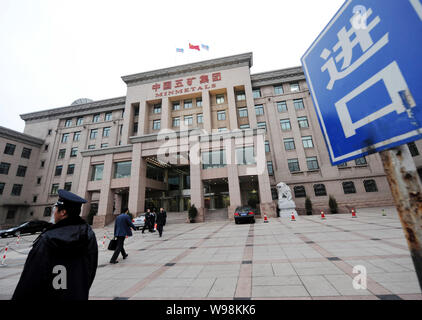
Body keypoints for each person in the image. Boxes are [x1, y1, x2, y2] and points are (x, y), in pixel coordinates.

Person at [12, 189, 98, 300]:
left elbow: (30, 279)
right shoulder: (89, 235)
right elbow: (91, 270)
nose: (54, 212)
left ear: (63, 212)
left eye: (55, 208)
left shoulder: (47, 239)